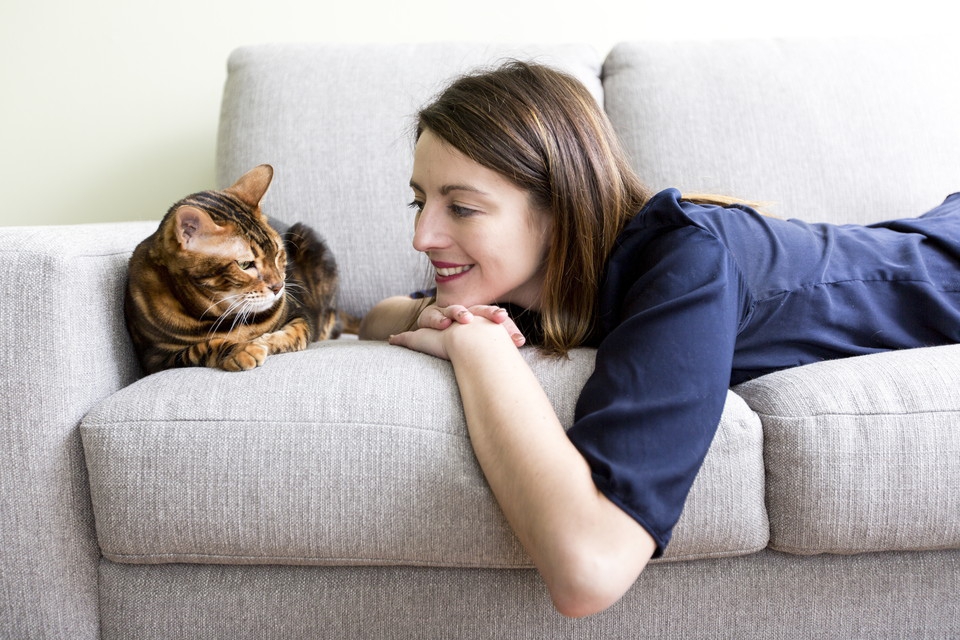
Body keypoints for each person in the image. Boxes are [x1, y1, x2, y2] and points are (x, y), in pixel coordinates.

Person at [358, 61, 960, 617]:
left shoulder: (684, 262)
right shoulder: (539, 280)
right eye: (419, 202)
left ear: (561, 207)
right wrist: (445, 318)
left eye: (461, 208)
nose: (421, 237)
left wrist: (481, 351)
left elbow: (589, 569)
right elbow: (381, 316)